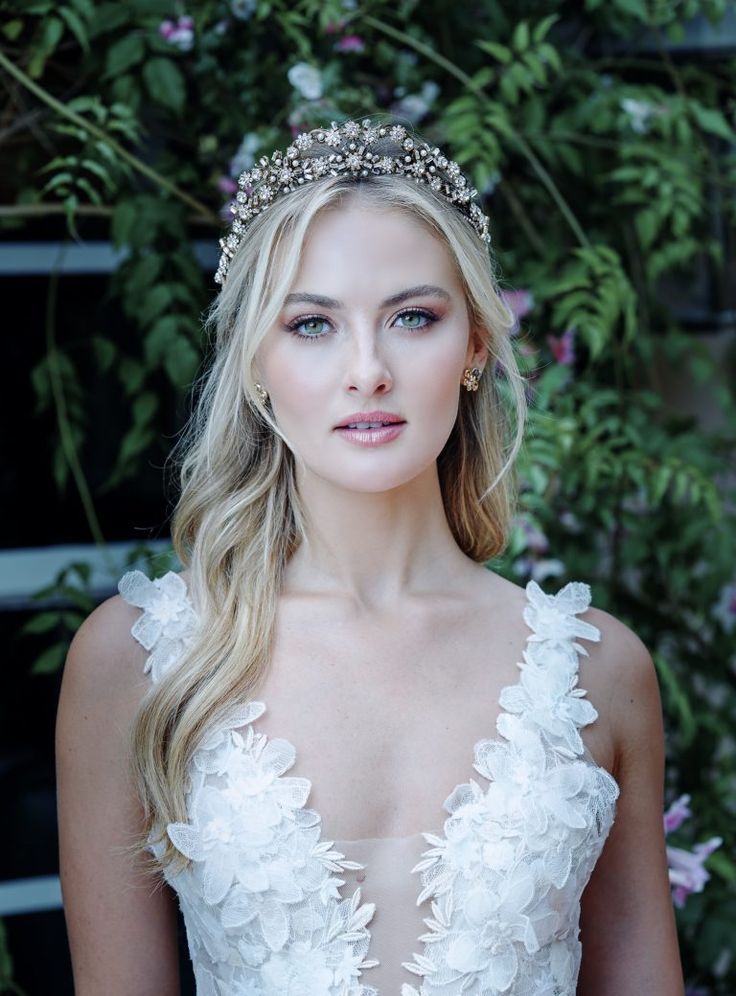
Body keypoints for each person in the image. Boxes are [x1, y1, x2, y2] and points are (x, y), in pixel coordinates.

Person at [56, 117, 685, 995]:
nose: (368, 370)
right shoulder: (140, 663)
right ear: (255, 363)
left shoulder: (600, 672)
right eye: (312, 325)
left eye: (413, 318)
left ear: (473, 346)